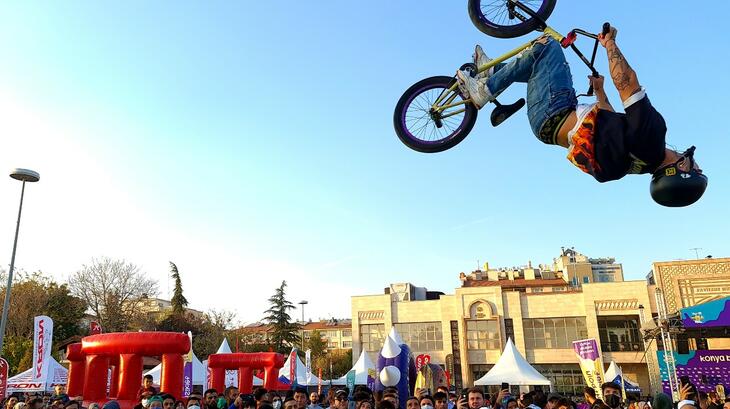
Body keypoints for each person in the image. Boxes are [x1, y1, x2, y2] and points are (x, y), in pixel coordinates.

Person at [455, 26, 707, 207]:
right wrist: (600, 92)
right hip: (547, 125)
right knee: (538, 67)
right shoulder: (636, 165)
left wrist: (610, 45)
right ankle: (493, 73)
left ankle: (484, 90)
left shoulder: (652, 139)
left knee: (547, 47)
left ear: (682, 168)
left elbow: (628, 84)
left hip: (557, 109)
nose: (695, 162)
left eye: (696, 167)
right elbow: (606, 126)